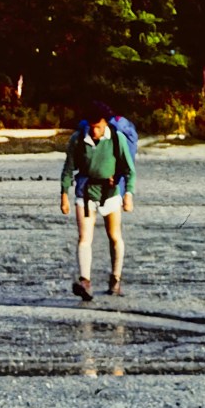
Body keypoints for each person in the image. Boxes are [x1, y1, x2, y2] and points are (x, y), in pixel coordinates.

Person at [60, 102, 135, 300]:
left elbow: (129, 170)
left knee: (115, 236)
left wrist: (129, 193)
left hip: (110, 193)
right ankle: (85, 281)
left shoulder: (117, 139)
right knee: (84, 238)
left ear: (105, 124)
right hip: (85, 194)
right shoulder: (78, 139)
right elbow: (68, 169)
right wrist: (64, 195)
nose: (95, 130)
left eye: (98, 126)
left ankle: (115, 279)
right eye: (92, 126)